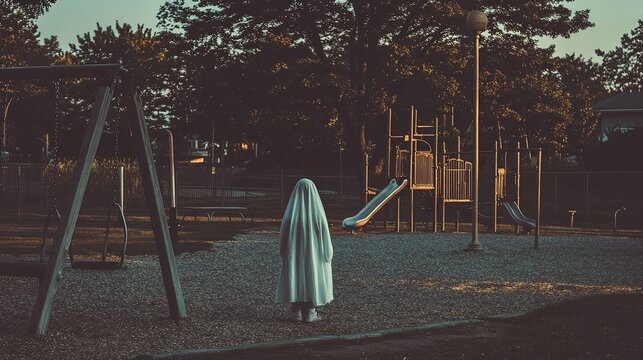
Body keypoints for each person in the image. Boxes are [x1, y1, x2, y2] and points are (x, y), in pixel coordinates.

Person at [275, 178, 333, 323]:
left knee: (296, 277)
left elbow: (283, 237)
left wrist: (283, 253)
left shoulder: (290, 217)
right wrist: (328, 254)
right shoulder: (318, 216)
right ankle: (310, 311)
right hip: (315, 256)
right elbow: (325, 237)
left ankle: (297, 311)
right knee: (312, 277)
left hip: (294, 255)